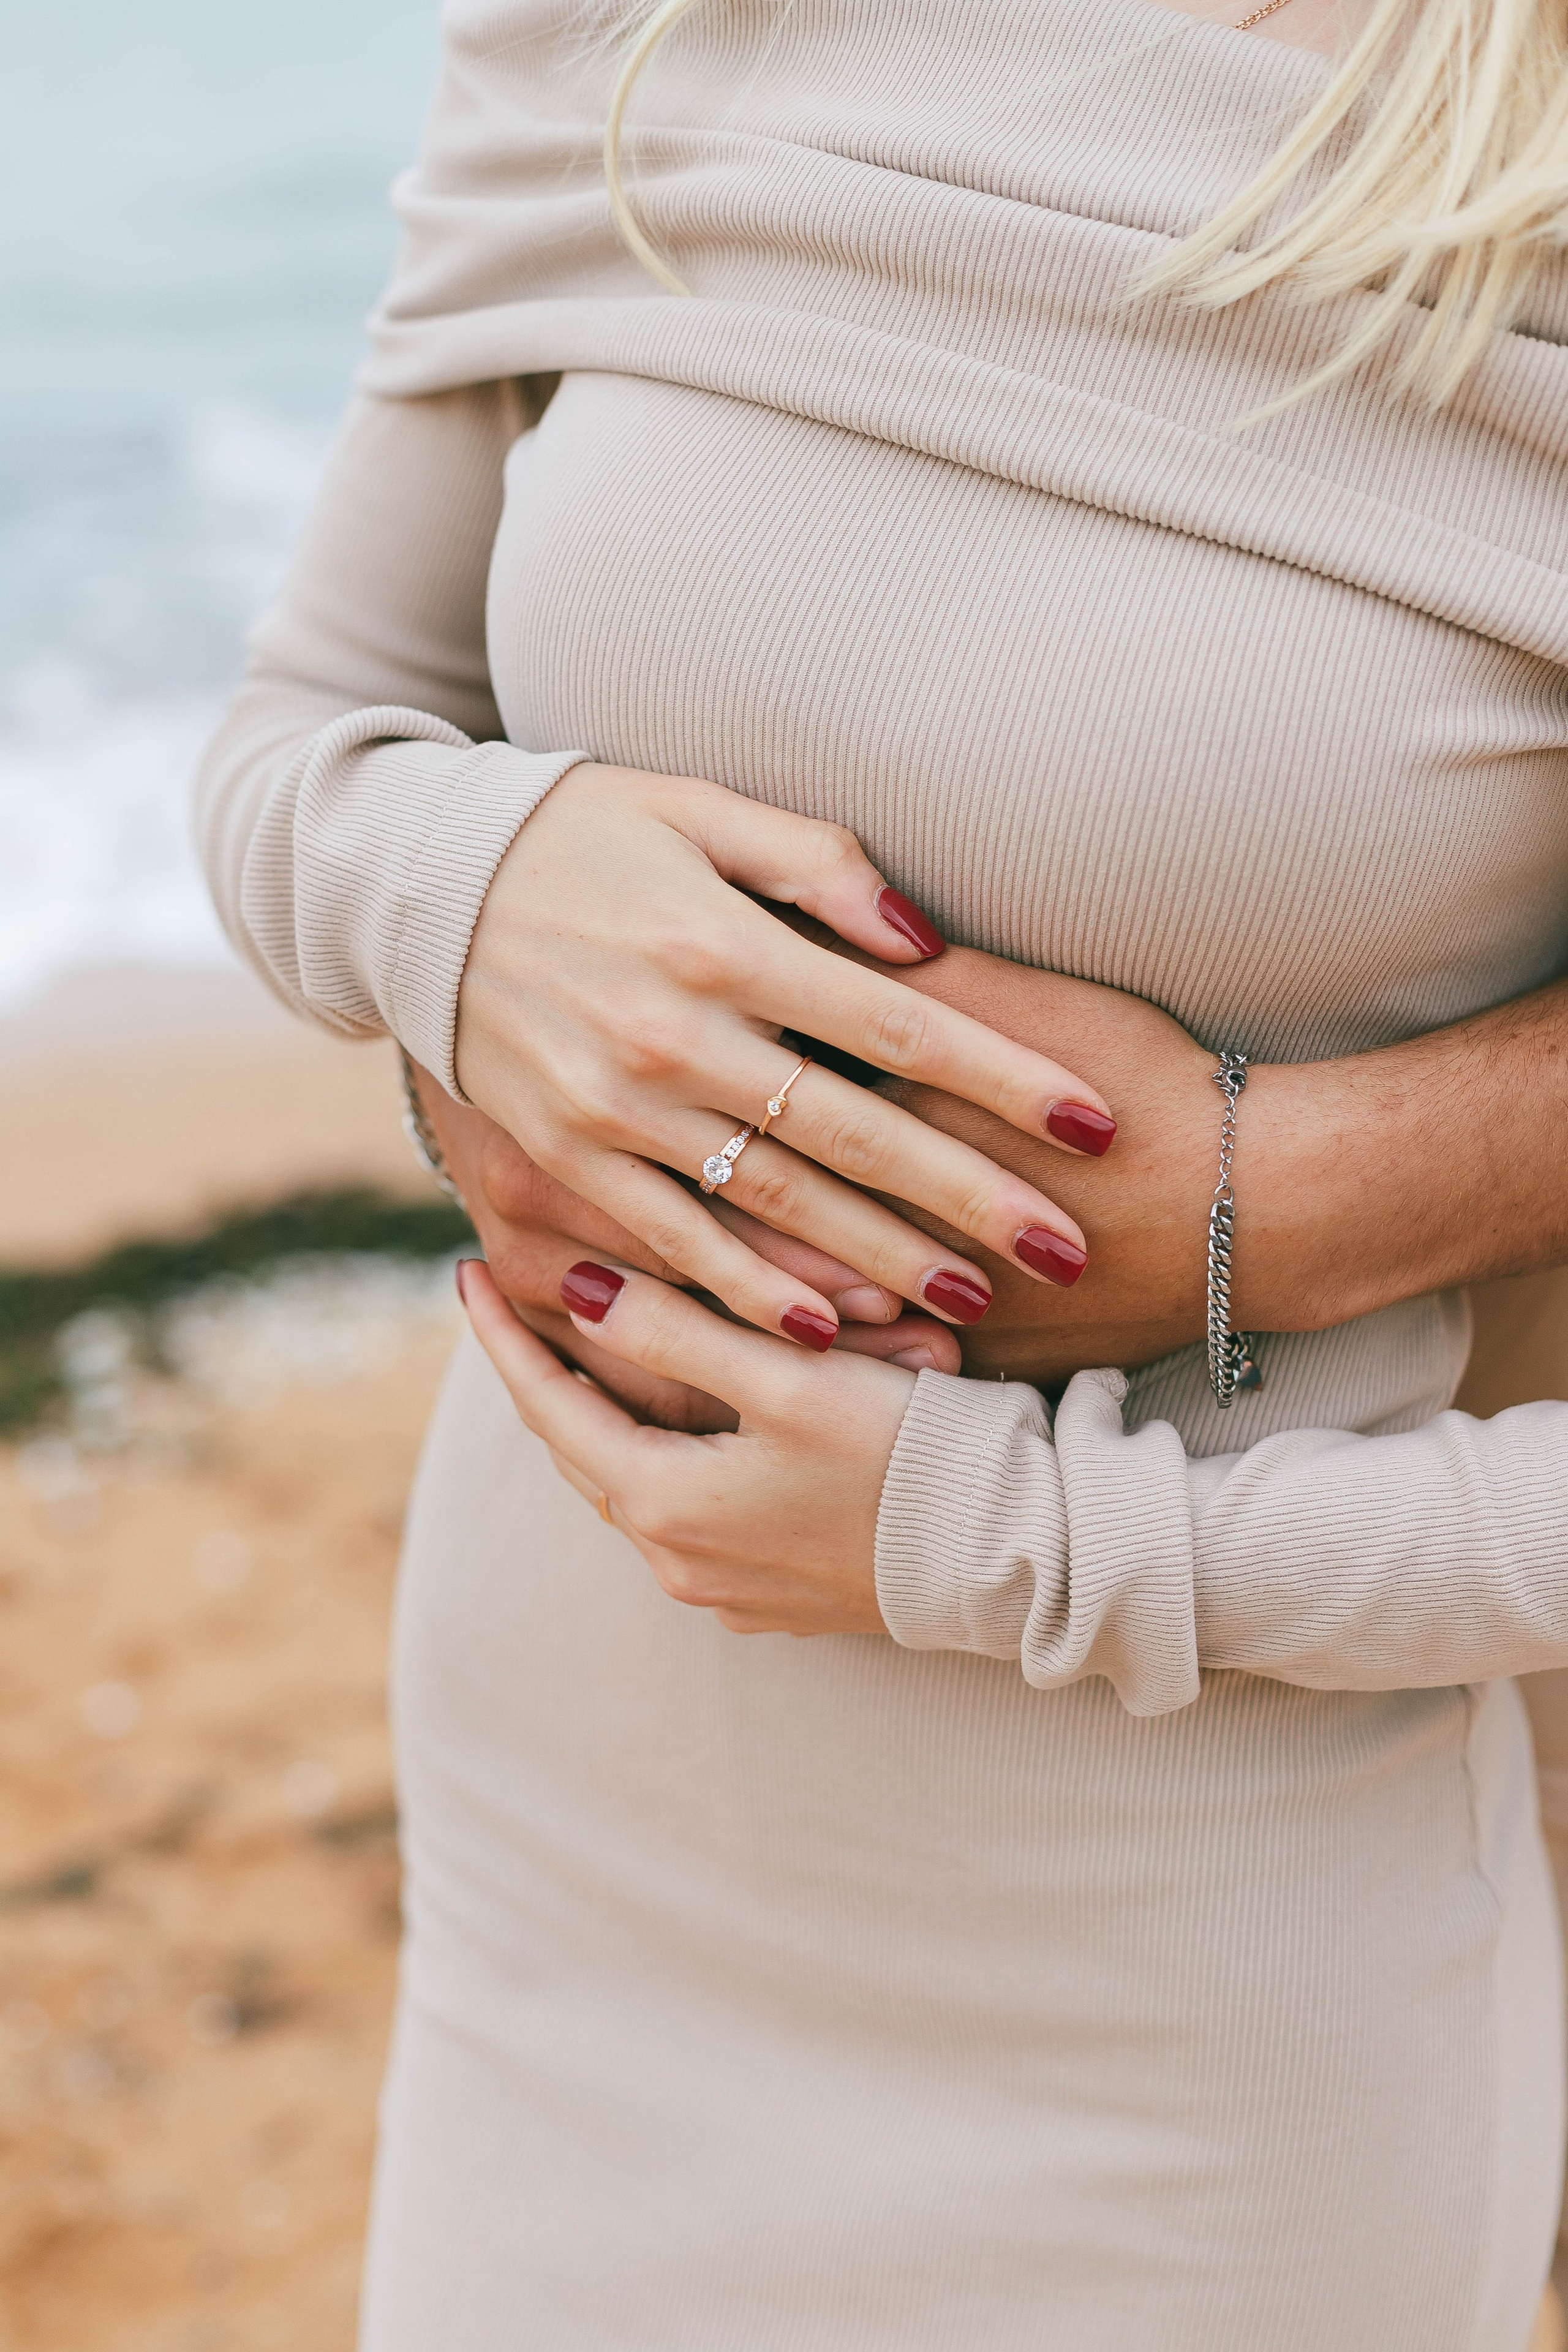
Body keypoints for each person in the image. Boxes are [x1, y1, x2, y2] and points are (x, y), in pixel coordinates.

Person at [196, 0, 1568, 2339]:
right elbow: (304, 736)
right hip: (570, 1845)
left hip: (1206, 1970)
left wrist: (1035, 1537)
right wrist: (470, 895)